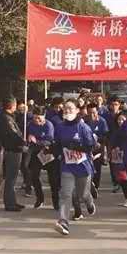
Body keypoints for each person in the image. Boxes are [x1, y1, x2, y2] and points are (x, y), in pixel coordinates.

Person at [54, 99, 97, 236]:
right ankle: (63, 222)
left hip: (83, 166)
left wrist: (75, 146)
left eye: (70, 108)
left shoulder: (83, 127)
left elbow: (90, 146)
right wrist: (51, 150)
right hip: (67, 166)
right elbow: (57, 144)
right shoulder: (60, 127)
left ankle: (89, 201)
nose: (67, 111)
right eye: (65, 108)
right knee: (65, 194)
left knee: (82, 194)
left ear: (77, 110)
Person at [0, 97, 26, 212]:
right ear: (12, 105)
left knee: (12, 178)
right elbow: (13, 134)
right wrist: (23, 142)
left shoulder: (7, 117)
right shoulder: (6, 118)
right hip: (12, 150)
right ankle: (9, 203)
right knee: (11, 178)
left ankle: (12, 201)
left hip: (13, 149)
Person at [26, 106, 57, 209]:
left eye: (39, 118)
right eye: (35, 118)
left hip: (47, 153)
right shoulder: (30, 125)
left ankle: (56, 201)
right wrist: (28, 139)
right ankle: (40, 198)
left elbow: (49, 140)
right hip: (35, 153)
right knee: (34, 176)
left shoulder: (49, 125)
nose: (37, 120)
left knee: (52, 179)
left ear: (44, 116)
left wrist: (37, 141)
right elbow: (27, 137)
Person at [85, 103, 109, 198]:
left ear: (97, 112)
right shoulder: (84, 121)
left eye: (94, 112)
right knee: (87, 169)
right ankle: (89, 186)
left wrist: (99, 141)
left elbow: (105, 135)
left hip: (98, 149)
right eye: (90, 112)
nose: (92, 115)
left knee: (97, 169)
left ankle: (96, 187)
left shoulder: (102, 121)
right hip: (87, 149)